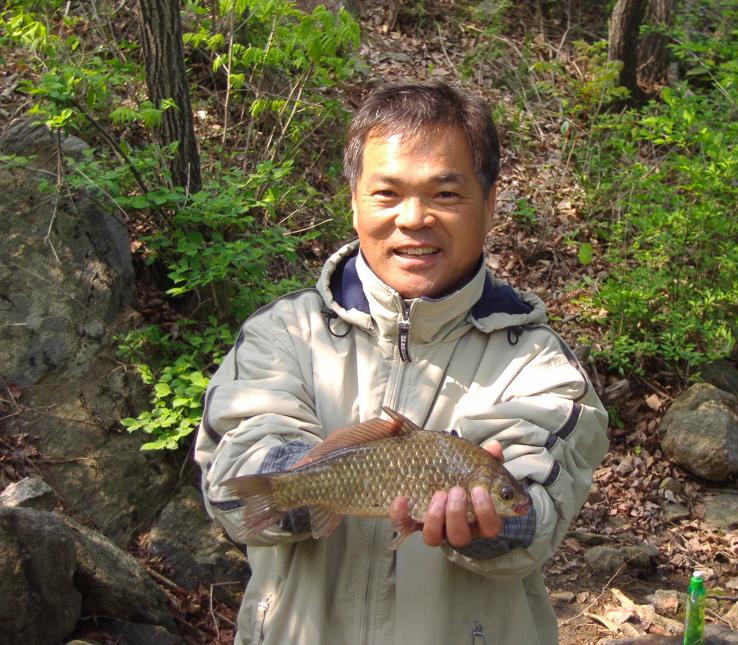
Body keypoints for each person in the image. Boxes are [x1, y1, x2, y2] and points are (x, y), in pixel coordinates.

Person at [194, 81, 609, 645]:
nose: (413, 219)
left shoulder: (540, 364)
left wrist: (487, 528)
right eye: (387, 193)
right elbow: (233, 483)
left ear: (489, 204)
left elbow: (535, 514)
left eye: (445, 194)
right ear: (354, 202)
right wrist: (317, 478)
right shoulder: (282, 333)